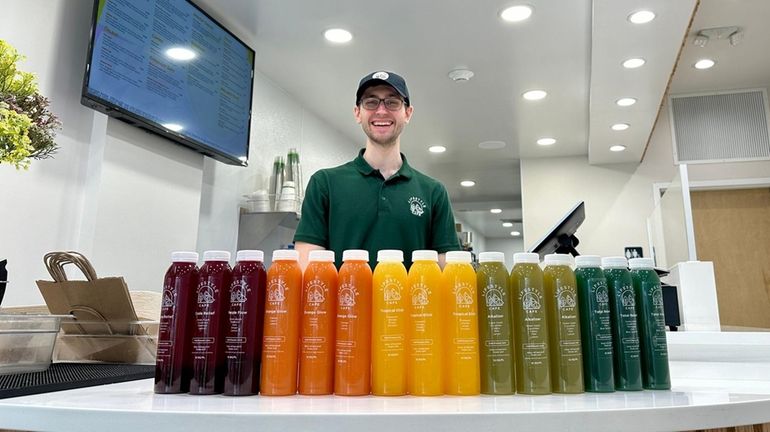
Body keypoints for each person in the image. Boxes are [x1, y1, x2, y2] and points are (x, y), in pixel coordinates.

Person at [293, 70, 460, 269]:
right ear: (357, 113)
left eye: (392, 102)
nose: (381, 111)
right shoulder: (325, 183)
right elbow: (308, 269)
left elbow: (449, 273)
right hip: (345, 301)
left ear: (408, 113)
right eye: (371, 102)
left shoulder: (433, 192)